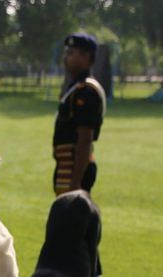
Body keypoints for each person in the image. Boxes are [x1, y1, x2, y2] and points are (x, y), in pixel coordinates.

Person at [53, 32, 106, 197]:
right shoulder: (74, 88)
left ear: (85, 56)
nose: (65, 58)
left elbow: (85, 139)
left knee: (73, 218)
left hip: (75, 167)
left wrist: (76, 181)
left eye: (71, 53)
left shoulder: (86, 91)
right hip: (65, 165)